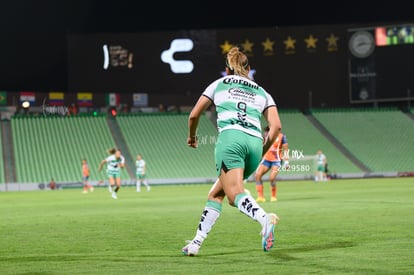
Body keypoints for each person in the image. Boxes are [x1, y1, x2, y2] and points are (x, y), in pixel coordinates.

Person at [182, 46, 282, 256]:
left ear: (227, 70)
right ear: (249, 68)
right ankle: (195, 244)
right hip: (254, 144)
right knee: (219, 194)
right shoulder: (263, 92)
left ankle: (265, 220)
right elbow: (276, 127)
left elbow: (193, 115)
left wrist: (192, 137)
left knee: (235, 193)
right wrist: (262, 150)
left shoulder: (219, 84)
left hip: (231, 140)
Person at [255, 127, 289, 202]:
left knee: (272, 178)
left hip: (277, 160)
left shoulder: (282, 136)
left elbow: (286, 149)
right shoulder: (266, 136)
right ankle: (261, 197)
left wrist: (286, 162)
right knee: (258, 175)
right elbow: (261, 146)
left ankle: (273, 196)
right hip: (267, 159)